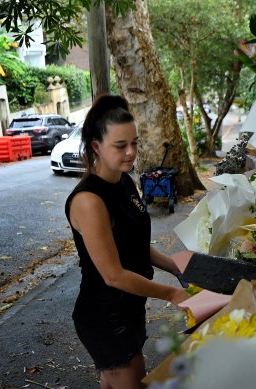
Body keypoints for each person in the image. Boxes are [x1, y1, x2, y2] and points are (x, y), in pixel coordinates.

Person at [65, 95, 188, 388]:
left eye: (135, 143)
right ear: (96, 146)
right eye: (120, 146)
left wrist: (176, 266)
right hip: (105, 317)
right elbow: (114, 275)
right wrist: (171, 294)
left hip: (129, 308)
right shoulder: (89, 201)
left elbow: (131, 244)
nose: (131, 152)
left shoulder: (124, 181)